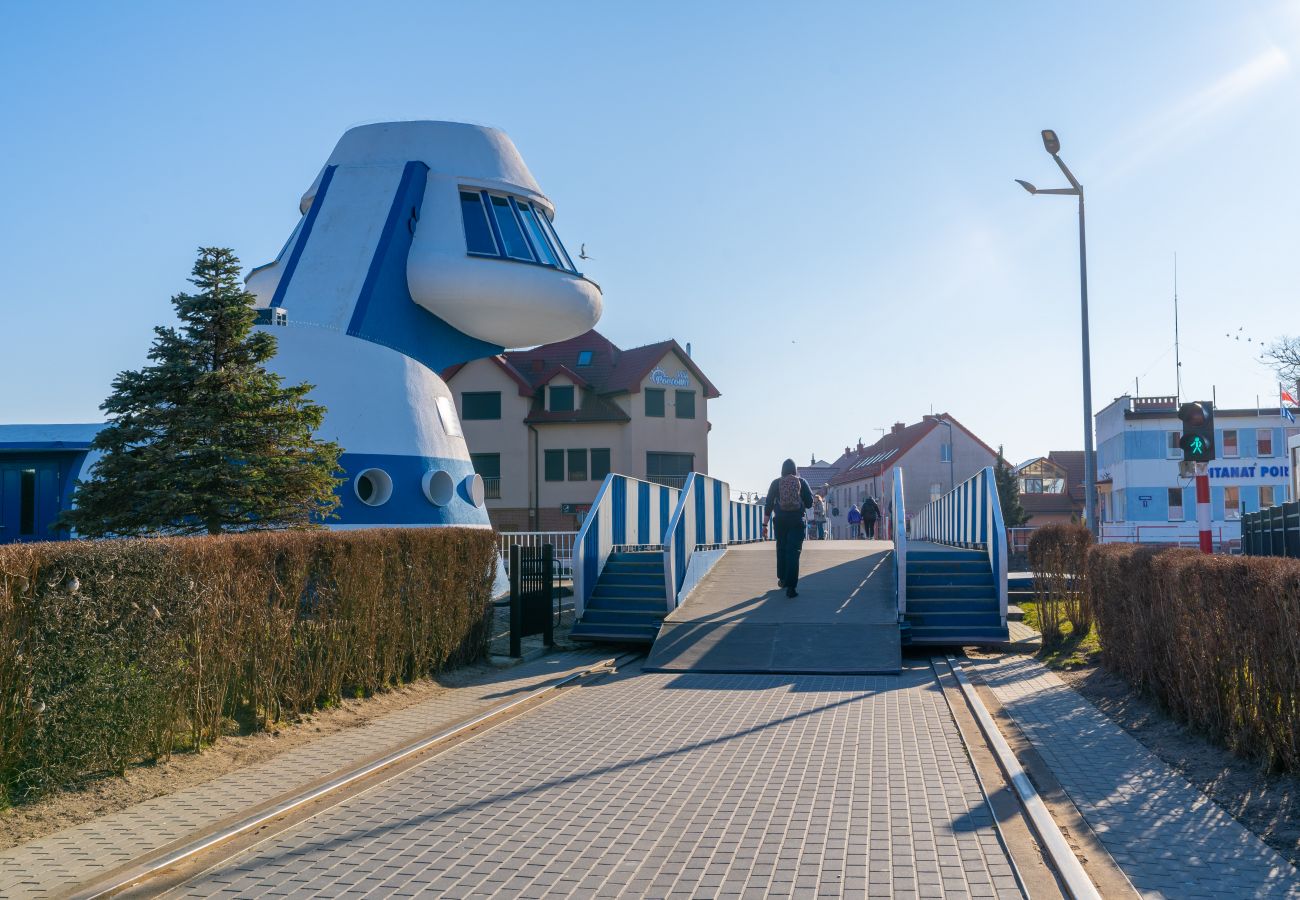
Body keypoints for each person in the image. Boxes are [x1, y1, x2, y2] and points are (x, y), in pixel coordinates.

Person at [763, 458, 813, 597]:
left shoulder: (775, 483)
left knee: (782, 548)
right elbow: (809, 503)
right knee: (794, 552)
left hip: (780, 521)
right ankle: (791, 587)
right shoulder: (802, 482)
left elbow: (768, 505)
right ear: (795, 470)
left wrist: (764, 525)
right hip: (797, 521)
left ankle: (782, 579)